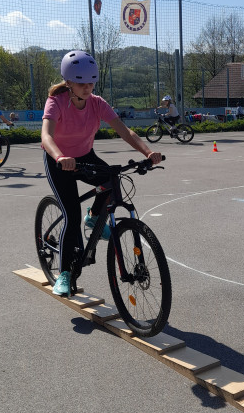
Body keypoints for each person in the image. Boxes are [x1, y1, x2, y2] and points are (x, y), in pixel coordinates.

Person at [41, 50, 163, 298]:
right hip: (59, 161)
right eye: (82, 84)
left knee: (111, 180)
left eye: (91, 82)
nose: (88, 88)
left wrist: (148, 152)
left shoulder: (97, 103)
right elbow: (46, 136)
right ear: (69, 82)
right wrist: (60, 157)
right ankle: (64, 274)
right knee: (71, 216)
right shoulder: (56, 102)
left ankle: (94, 217)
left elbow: (125, 131)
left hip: (85, 156)